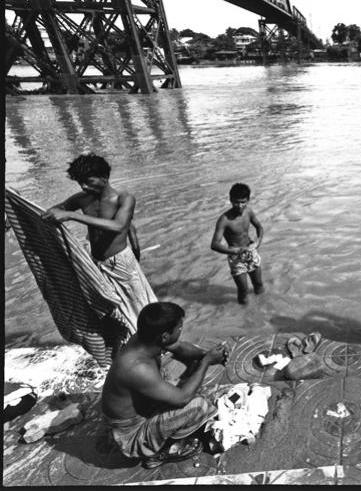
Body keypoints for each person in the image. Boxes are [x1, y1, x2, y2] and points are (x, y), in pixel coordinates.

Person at [101, 301, 228, 469]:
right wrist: (206, 362)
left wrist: (207, 355)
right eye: (180, 328)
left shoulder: (146, 338)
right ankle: (159, 453)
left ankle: (165, 432)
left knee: (191, 371)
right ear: (164, 336)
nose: (181, 331)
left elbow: (180, 347)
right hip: (131, 433)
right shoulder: (138, 368)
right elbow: (182, 400)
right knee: (197, 405)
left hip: (140, 407)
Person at [42, 153, 157, 335]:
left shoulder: (124, 198)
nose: (84, 186)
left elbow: (118, 226)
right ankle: (124, 344)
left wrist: (74, 215)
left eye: (88, 181)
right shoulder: (82, 198)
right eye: (80, 182)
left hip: (120, 262)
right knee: (112, 312)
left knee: (140, 306)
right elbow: (58, 209)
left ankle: (156, 344)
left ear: (104, 178)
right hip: (96, 263)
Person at [210, 183, 264, 304]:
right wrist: (235, 251)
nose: (240, 206)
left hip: (251, 252)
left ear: (248, 200)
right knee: (243, 290)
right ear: (230, 200)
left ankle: (262, 308)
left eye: (243, 202)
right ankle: (245, 315)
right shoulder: (224, 219)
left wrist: (257, 242)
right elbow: (214, 244)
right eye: (236, 202)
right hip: (236, 257)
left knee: (259, 285)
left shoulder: (248, 212)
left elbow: (259, 227)